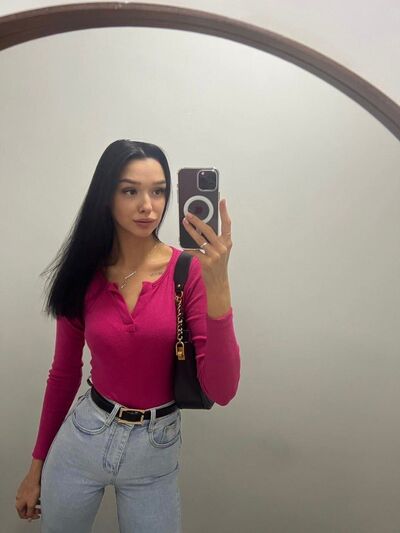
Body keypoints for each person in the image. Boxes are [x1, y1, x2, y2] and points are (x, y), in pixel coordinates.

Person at [15, 139, 240, 532]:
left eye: (159, 191)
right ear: (107, 196)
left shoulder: (187, 272)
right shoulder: (84, 273)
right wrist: (36, 467)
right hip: (84, 437)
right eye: (130, 191)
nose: (147, 206)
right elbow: (63, 374)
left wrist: (218, 284)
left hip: (155, 452)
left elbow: (222, 390)